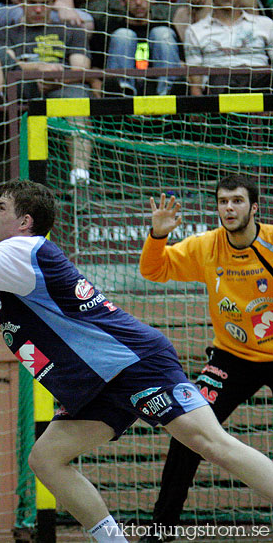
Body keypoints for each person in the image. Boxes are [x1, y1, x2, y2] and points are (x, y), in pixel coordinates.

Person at [0, 179, 273, 543]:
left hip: (134, 364)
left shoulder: (21, 252)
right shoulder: (7, 253)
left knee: (212, 444)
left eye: (0, 207)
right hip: (99, 384)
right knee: (46, 459)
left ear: (24, 222)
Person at [136, 174, 273, 542]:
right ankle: (162, 530)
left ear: (254, 207)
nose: (229, 208)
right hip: (232, 355)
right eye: (223, 201)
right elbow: (153, 269)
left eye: (238, 201)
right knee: (188, 431)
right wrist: (159, 236)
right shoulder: (206, 247)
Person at [0, 0, 96, 186]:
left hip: (62, 85)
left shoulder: (71, 30)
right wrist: (38, 68)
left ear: (54, 3)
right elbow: (6, 66)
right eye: (32, 3)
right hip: (22, 87)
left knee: (77, 100)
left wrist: (55, 79)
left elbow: (81, 69)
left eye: (44, 3)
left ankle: (80, 178)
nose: (38, 9)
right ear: (20, 1)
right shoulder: (6, 33)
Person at [184, 0, 273, 95]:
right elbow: (196, 85)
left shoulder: (265, 24)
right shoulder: (195, 31)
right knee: (219, 79)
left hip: (258, 89)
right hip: (218, 93)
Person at [105, 0, 181, 96]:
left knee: (162, 33)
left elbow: (182, 63)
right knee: (123, 35)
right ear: (122, 1)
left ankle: (169, 93)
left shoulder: (165, 25)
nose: (138, 2)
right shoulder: (112, 27)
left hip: (157, 94)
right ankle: (122, 95)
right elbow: (96, 68)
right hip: (123, 101)